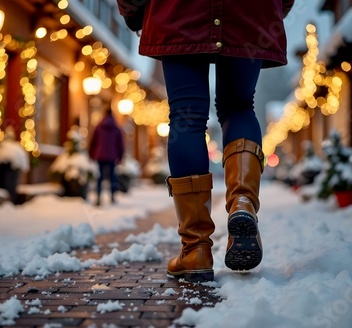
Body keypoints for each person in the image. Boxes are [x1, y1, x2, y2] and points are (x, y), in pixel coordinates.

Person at [117, 0, 295, 282]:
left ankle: (196, 249)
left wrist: (133, 11)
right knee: (239, 106)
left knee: (187, 115)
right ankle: (243, 202)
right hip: (251, 10)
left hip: (178, 10)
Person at [88, 107, 125, 206]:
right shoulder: (116, 128)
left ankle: (98, 198)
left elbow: (93, 142)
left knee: (100, 176)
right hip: (112, 156)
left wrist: (91, 153)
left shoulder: (99, 127)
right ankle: (112, 196)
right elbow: (120, 144)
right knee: (112, 176)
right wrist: (120, 156)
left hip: (100, 155)